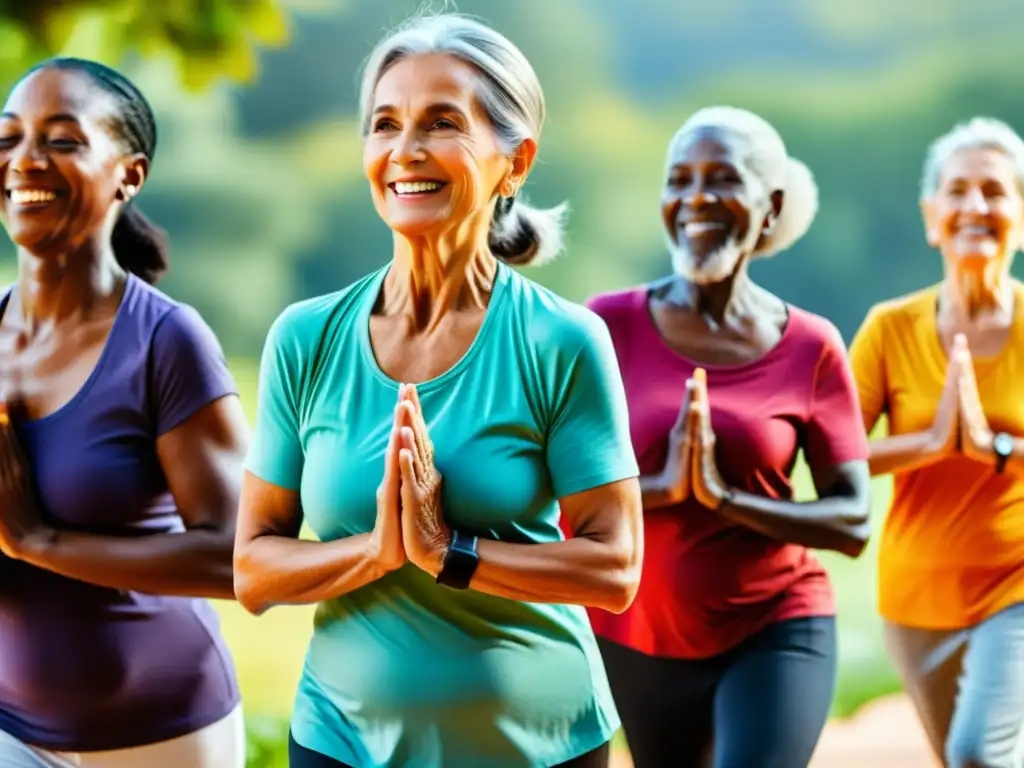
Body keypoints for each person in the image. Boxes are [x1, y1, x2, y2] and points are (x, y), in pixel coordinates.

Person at [233, 12, 643, 768]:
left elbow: (615, 569)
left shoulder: (561, 341)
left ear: (514, 162)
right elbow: (254, 569)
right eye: (385, 123)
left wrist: (451, 552)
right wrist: (383, 550)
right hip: (341, 740)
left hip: (540, 745)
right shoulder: (305, 337)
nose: (405, 150)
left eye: (442, 122)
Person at [576, 107, 871, 768]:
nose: (696, 197)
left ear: (769, 208)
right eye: (678, 179)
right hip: (635, 633)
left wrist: (723, 497)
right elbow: (558, 495)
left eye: (722, 179)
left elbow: (851, 518)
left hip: (775, 624)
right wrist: (661, 489)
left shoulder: (811, 345)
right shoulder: (604, 326)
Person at [0, 59, 248, 767]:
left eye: (63, 140)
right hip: (12, 726)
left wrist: (38, 542)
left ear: (128, 175)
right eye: (8, 138)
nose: (25, 161)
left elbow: (239, 558)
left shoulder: (164, 341)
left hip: (161, 734)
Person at [850, 117, 1024, 768]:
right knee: (961, 761)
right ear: (933, 215)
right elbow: (836, 451)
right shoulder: (889, 328)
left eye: (995, 191)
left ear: (1021, 214)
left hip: (1016, 585)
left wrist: (993, 447)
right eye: (957, 191)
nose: (975, 206)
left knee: (980, 753)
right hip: (915, 597)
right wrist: (931, 442)